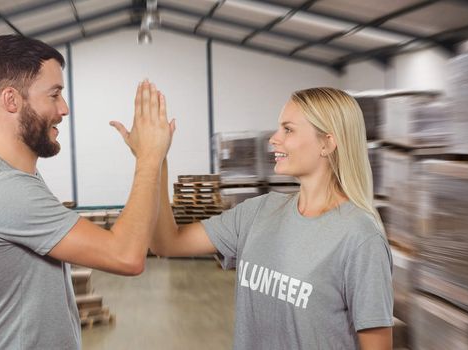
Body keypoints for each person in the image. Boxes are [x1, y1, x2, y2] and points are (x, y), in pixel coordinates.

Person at [0, 35, 175, 349]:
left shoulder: (9, 175)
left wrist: (152, 159)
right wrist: (149, 156)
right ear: (11, 100)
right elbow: (126, 256)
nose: (65, 109)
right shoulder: (3, 191)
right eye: (54, 94)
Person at [145, 87, 393, 349]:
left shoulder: (361, 238)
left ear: (327, 143)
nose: (274, 139)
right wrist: (156, 158)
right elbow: (165, 242)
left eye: (288, 129)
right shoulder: (258, 212)